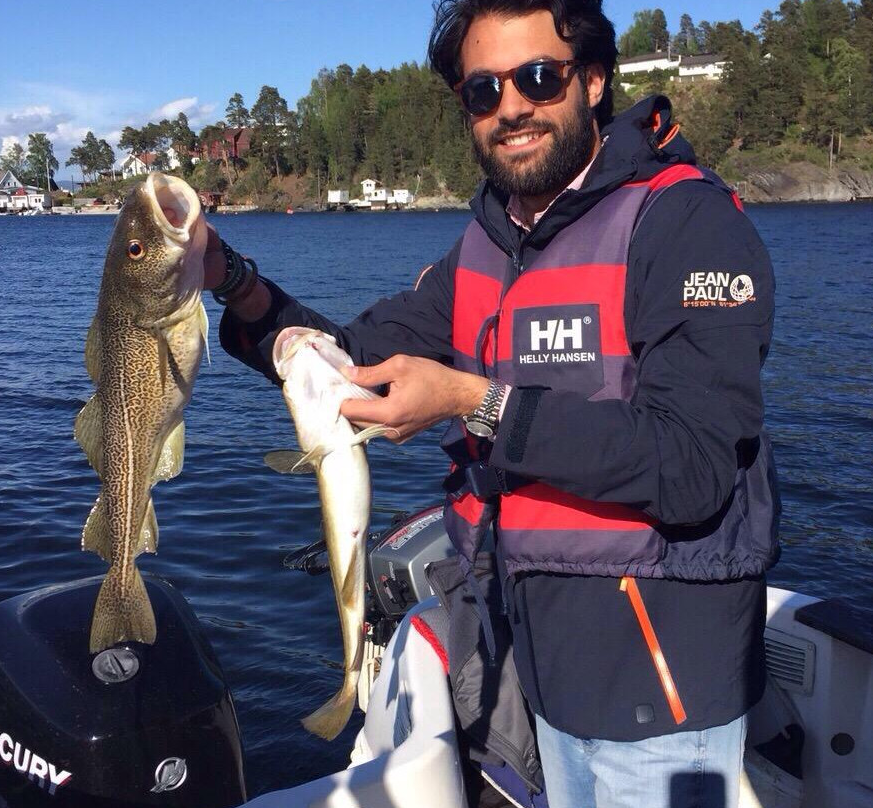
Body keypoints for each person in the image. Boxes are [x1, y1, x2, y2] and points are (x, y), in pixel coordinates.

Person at [204, 1, 780, 805]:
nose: (511, 107)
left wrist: (474, 403)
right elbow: (347, 360)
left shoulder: (686, 223)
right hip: (532, 661)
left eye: (538, 78)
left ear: (593, 80)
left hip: (661, 686)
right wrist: (229, 278)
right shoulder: (486, 243)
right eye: (483, 90)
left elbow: (690, 465)